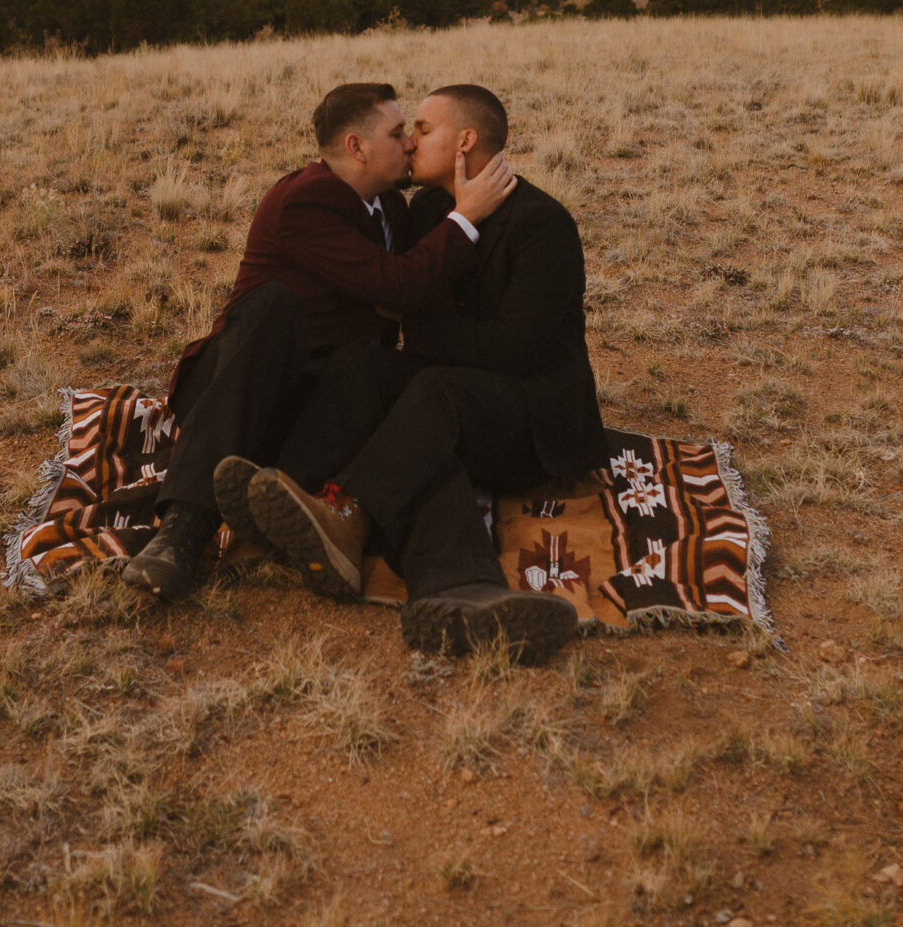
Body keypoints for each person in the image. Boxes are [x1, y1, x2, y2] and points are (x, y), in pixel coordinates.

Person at [238, 84, 602, 663]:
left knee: (431, 396)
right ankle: (457, 589)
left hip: (537, 421)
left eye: (424, 130)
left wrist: (424, 331)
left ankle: (348, 514)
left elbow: (517, 351)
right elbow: (410, 307)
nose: (410, 142)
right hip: (458, 402)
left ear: (466, 141)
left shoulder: (543, 224)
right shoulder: (432, 211)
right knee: (374, 377)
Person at [120, 81, 515, 599]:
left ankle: (462, 585)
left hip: (322, 407)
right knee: (272, 307)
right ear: (356, 147)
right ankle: (182, 532)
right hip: (242, 396)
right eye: (398, 133)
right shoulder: (304, 201)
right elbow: (397, 285)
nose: (411, 144)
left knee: (411, 410)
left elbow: (404, 294)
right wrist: (464, 218)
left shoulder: (390, 208)